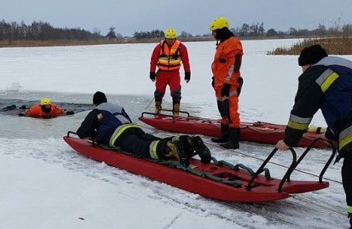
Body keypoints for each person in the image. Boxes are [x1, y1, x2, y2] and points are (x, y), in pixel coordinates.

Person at [275, 44, 352, 229]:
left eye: (302, 68)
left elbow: (302, 111)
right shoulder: (343, 67)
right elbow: (344, 99)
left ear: (308, 64)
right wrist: (334, 132)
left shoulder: (315, 74)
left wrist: (289, 140)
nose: (302, 72)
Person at [76, 91, 211, 165]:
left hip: (117, 136)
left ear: (94, 103)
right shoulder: (118, 107)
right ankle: (187, 141)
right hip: (132, 128)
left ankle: (168, 148)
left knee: (142, 148)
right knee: (151, 139)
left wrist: (95, 132)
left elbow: (82, 133)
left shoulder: (96, 111)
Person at [209, 17, 243, 149]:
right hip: (220, 83)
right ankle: (225, 136)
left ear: (221, 30)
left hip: (229, 84)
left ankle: (234, 141)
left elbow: (234, 66)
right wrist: (214, 78)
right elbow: (221, 65)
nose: (213, 34)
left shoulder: (233, 44)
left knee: (231, 112)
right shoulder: (223, 43)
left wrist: (228, 83)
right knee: (223, 111)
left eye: (214, 31)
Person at [149, 28, 191, 117]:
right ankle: (157, 109)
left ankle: (176, 112)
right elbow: (153, 60)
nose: (170, 41)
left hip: (174, 73)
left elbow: (186, 61)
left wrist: (187, 73)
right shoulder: (159, 47)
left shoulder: (181, 47)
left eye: (172, 39)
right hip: (162, 73)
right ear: (165, 38)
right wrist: (152, 72)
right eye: (168, 39)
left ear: (175, 38)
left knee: (176, 92)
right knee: (159, 92)